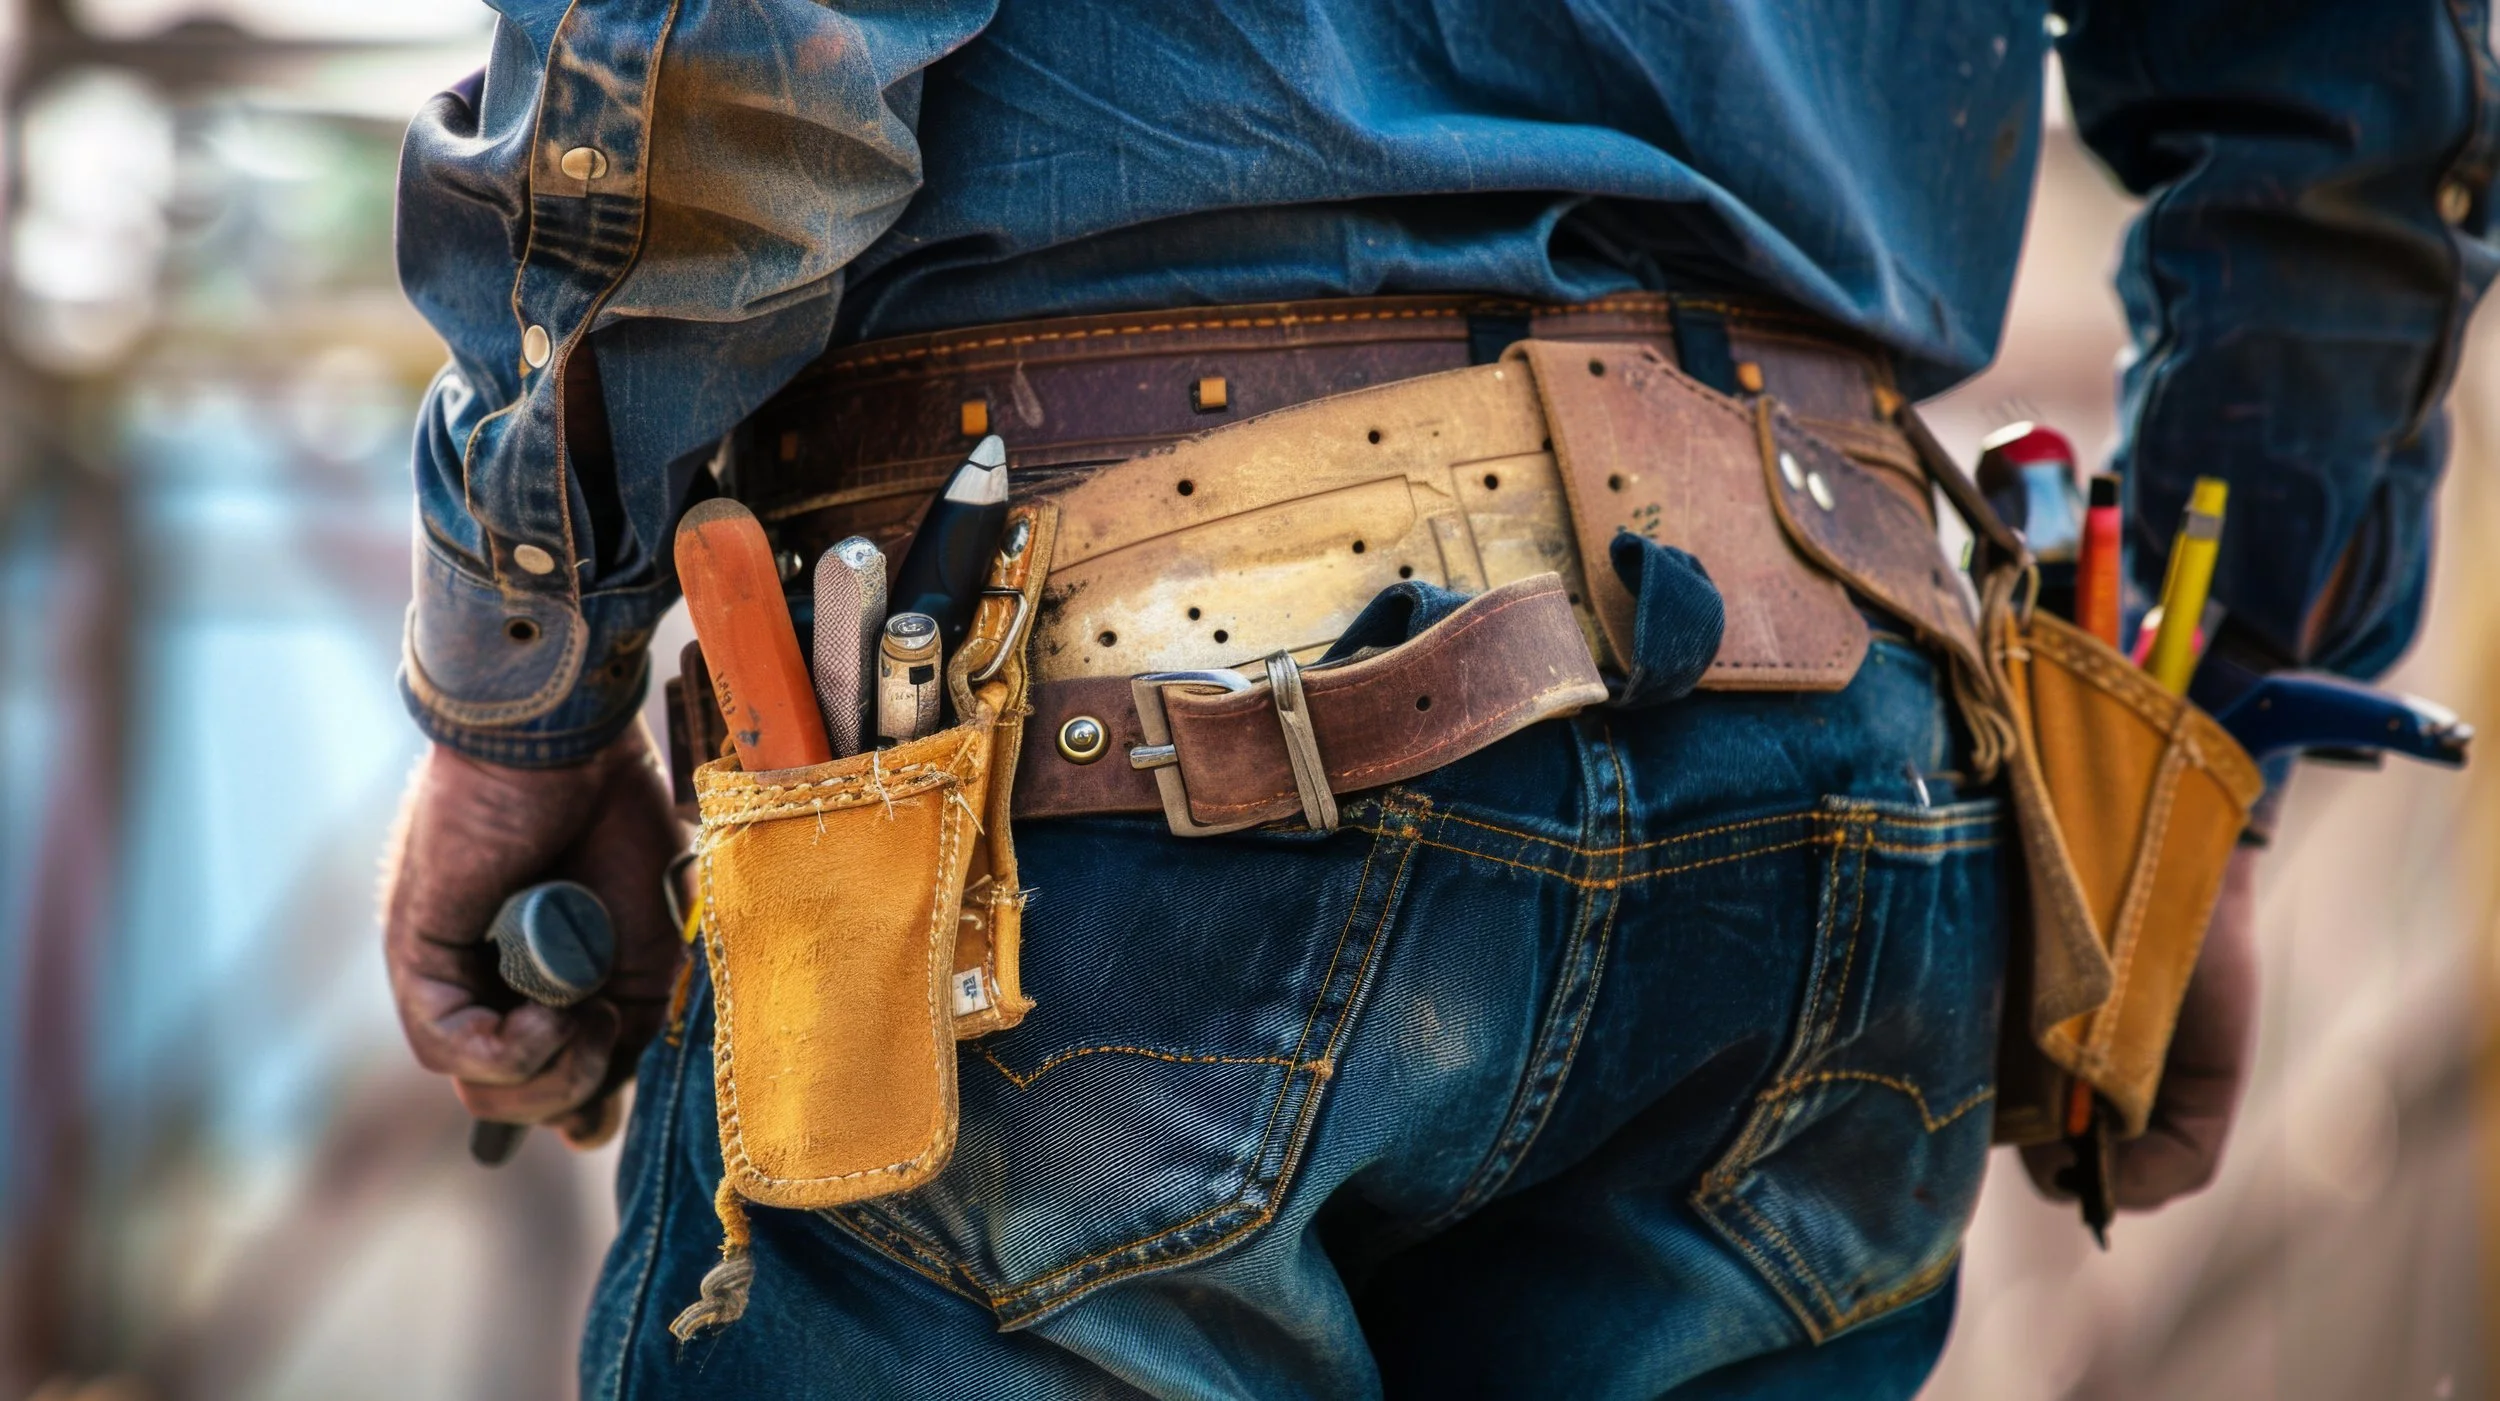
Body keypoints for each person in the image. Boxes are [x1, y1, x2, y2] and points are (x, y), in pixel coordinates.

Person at [377, 3, 2495, 1395]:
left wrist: (523, 676)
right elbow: (2349, 122)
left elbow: (734, 53)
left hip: (1096, 791)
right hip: (1842, 738)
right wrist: (2204, 766)